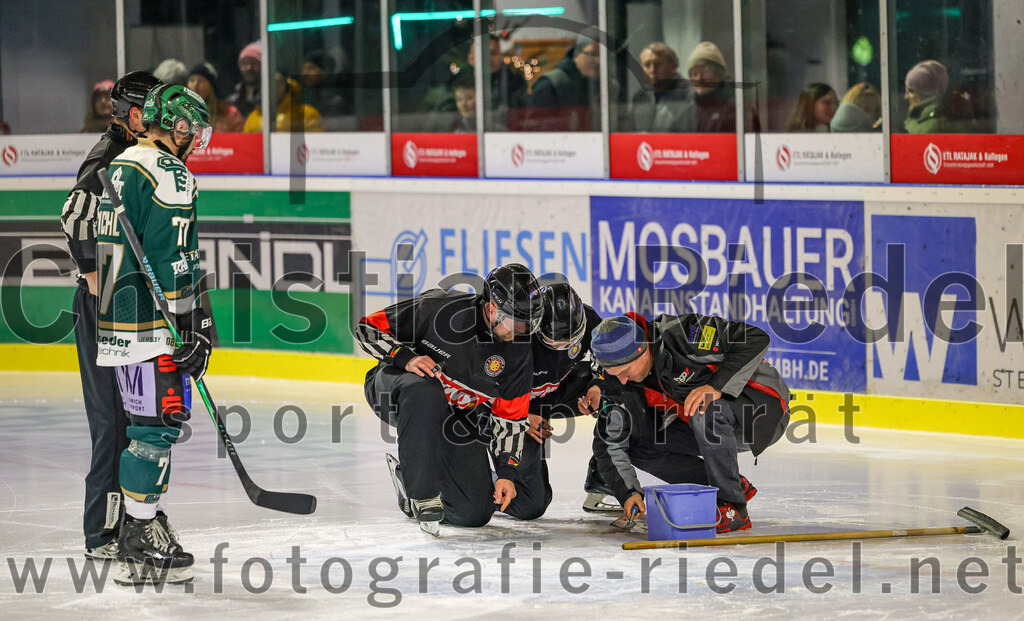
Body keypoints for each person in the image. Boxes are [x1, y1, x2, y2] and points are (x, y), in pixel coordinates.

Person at [96, 83, 213, 585]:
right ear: (179, 127)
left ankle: (137, 530)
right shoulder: (169, 173)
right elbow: (174, 258)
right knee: (157, 428)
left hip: (116, 320)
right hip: (152, 322)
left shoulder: (120, 166)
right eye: (196, 131)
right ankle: (138, 536)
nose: (197, 143)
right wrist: (191, 325)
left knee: (146, 425)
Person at [357, 264, 543, 532]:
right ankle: (422, 494)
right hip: (395, 391)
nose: (524, 330)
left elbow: (511, 417)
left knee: (474, 513)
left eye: (530, 323)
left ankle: (407, 482)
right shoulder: (440, 309)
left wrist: (506, 473)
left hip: (451, 415)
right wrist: (405, 357)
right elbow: (367, 329)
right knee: (425, 389)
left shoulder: (519, 351)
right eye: (518, 321)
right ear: (492, 309)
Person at [61, 70, 161, 562]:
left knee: (140, 417)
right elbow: (73, 213)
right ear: (137, 115)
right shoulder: (111, 153)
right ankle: (103, 531)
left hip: (128, 306)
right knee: (114, 422)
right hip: (104, 307)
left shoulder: (144, 155)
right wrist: (92, 272)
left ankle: (135, 521)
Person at [589, 312, 790, 533]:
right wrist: (628, 493)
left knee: (705, 409)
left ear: (643, 349)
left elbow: (755, 338)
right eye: (614, 374)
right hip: (705, 422)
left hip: (761, 409)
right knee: (640, 444)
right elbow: (607, 440)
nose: (623, 380)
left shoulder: (684, 334)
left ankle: (733, 508)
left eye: (626, 371)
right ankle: (728, 484)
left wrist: (716, 386)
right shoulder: (618, 379)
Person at [520, 283, 609, 515]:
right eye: (555, 342)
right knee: (532, 503)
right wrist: (519, 417)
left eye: (572, 340)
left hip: (558, 389)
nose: (564, 347)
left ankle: (604, 478)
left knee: (619, 383)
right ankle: (471, 482)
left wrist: (598, 384)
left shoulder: (589, 318)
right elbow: (484, 389)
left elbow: (606, 355)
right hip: (517, 404)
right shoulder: (516, 332)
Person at [529, 36, 602, 131]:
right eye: (593, 54)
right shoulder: (550, 85)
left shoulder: (605, 85)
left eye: (602, 55)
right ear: (577, 54)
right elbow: (536, 128)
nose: (599, 61)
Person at [468, 36, 527, 130]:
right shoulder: (459, 83)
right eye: (482, 54)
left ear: (501, 56)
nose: (488, 58)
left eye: (493, 53)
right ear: (471, 59)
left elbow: (520, 114)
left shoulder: (515, 82)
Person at [629, 42, 690, 132]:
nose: (652, 70)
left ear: (673, 66)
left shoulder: (689, 94)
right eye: (647, 65)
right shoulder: (640, 97)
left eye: (658, 64)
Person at [678, 42, 735, 132]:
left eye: (705, 72)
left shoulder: (734, 110)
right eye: (694, 74)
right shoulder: (687, 112)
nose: (699, 79)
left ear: (719, 75)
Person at [243, 71, 323, 133]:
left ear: (286, 86)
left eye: (277, 82)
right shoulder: (253, 117)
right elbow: (246, 148)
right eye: (266, 83)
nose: (272, 87)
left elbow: (318, 144)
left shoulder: (307, 114)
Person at [188, 62, 245, 133]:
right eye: (192, 80)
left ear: (211, 86)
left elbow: (239, 140)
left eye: (201, 81)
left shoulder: (230, 115)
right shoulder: (180, 114)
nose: (195, 85)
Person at [903, 60, 956, 134]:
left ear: (926, 93)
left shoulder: (935, 122)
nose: (906, 97)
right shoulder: (919, 117)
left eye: (911, 91)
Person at [228, 41, 262, 119]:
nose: (249, 67)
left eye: (254, 63)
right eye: (245, 63)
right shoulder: (232, 101)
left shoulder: (269, 97)